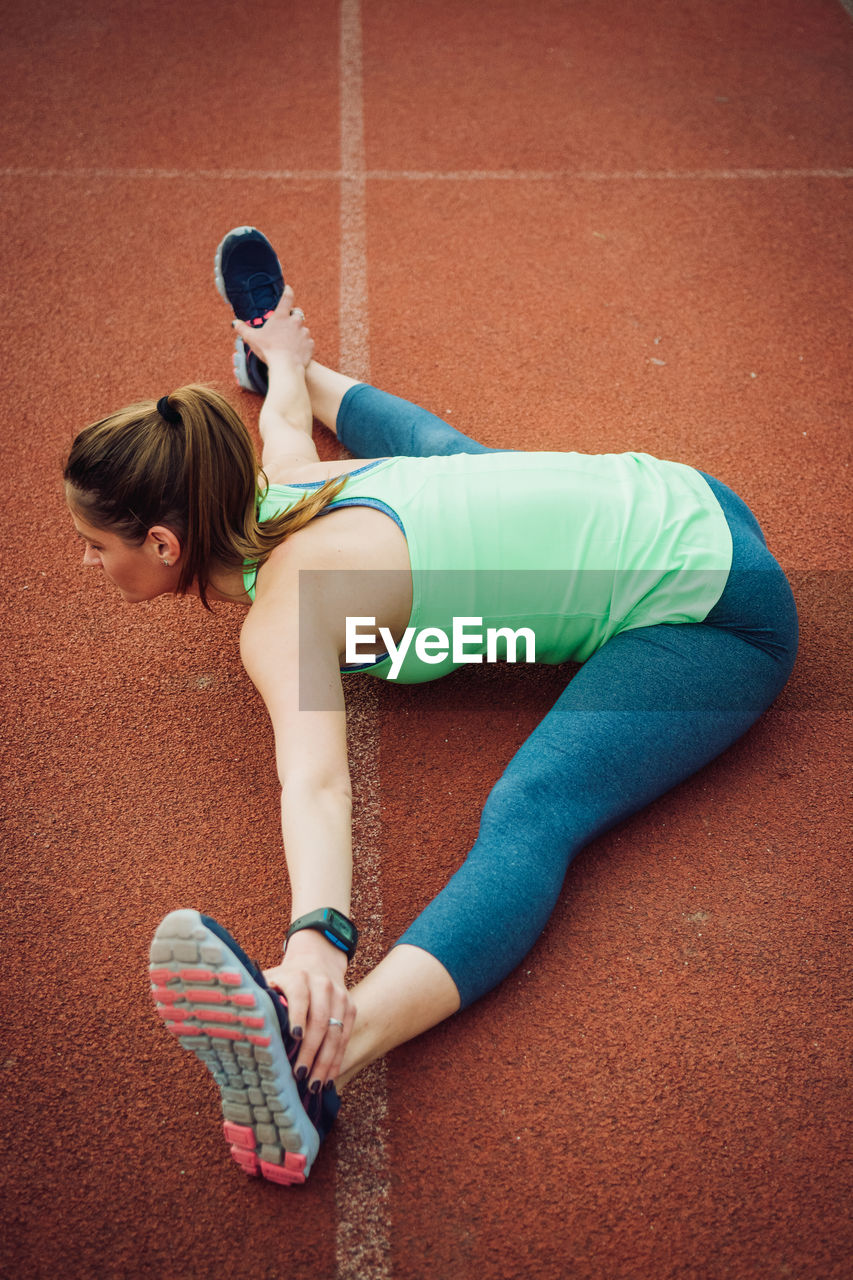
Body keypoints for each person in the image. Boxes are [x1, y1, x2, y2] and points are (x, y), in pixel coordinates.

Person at [64, 227, 798, 1187]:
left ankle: (323, 1055)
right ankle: (290, 351)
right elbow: (283, 426)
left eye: (95, 545)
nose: (87, 562)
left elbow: (315, 782)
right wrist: (284, 364)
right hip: (680, 490)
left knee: (532, 814)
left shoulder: (283, 618)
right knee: (451, 464)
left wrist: (316, 941)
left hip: (720, 612)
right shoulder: (285, 485)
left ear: (164, 544)